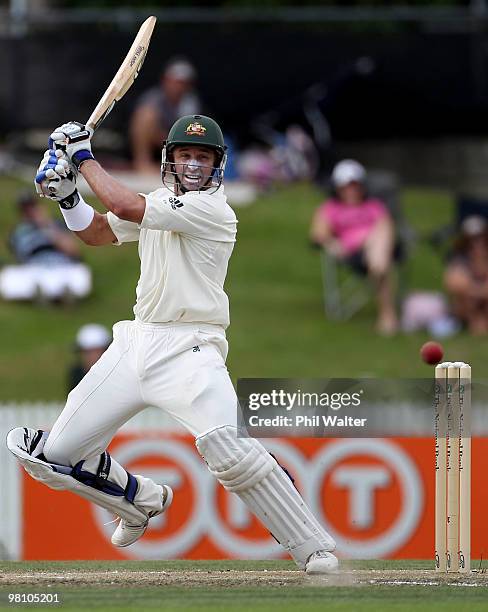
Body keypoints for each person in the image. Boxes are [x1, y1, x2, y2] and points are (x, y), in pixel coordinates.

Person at [7, 114, 338, 574]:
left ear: (218, 165)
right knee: (53, 457)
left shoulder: (215, 211)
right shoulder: (160, 201)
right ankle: (139, 500)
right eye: (186, 156)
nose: (194, 166)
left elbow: (124, 208)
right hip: (136, 342)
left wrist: (82, 157)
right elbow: (97, 231)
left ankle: (313, 547)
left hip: (190, 348)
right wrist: (66, 198)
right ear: (171, 160)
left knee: (227, 447)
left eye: (203, 157)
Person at [310, 159, 398, 334]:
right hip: (352, 252)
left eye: (355, 185)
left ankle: (377, 267)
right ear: (337, 187)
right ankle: (388, 314)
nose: (351, 190)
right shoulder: (330, 208)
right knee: (378, 248)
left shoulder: (374, 206)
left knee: (379, 236)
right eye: (346, 186)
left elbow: (387, 227)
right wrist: (331, 243)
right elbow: (317, 233)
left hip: (377, 248)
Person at [0, 192, 91, 303]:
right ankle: (46, 293)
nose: (30, 212)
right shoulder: (18, 232)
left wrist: (46, 225)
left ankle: (57, 293)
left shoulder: (57, 225)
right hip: (35, 268)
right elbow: (20, 259)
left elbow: (74, 252)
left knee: (80, 272)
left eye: (32, 208)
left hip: (61, 266)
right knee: (9, 275)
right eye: (26, 210)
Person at [130, 58, 202, 174]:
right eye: (175, 81)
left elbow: (188, 134)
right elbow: (144, 125)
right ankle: (143, 163)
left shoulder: (190, 103)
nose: (178, 87)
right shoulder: (153, 98)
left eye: (182, 83)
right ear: (165, 80)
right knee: (145, 116)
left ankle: (182, 167)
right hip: (159, 143)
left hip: (176, 145)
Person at [444, 215, 488, 335]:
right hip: (468, 305)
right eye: (472, 239)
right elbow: (455, 284)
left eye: (481, 238)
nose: (477, 243)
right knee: (466, 299)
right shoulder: (459, 260)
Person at [68, 323, 112, 392]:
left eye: (96, 351)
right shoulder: (76, 374)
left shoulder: (117, 374)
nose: (91, 357)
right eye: (87, 352)